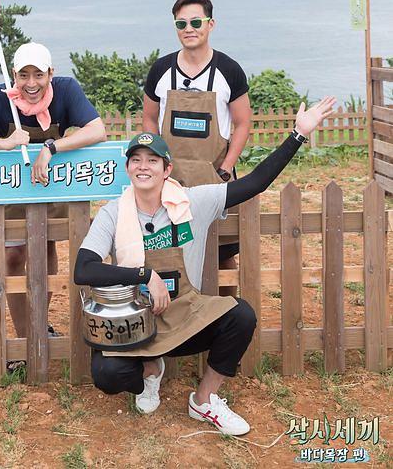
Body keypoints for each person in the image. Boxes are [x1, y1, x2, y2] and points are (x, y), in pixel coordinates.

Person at [74, 97, 335, 433]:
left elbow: (255, 182)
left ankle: (204, 399)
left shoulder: (193, 201)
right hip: (135, 323)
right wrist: (145, 275)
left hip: (185, 314)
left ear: (167, 169)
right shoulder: (114, 213)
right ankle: (150, 370)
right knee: (107, 375)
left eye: (152, 160)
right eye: (135, 160)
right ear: (128, 168)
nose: (143, 166)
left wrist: (298, 134)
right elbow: (84, 269)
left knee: (241, 316)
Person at [0, 41, 107, 351]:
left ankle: (39, 324)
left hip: (51, 184)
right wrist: (3, 144)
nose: (31, 84)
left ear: (51, 73)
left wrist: (51, 147)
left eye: (38, 75)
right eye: (24, 75)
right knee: (13, 255)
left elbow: (97, 130)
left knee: (45, 247)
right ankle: (24, 338)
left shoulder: (66, 90)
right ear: (13, 75)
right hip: (13, 186)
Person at [143, 0, 252, 295]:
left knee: (223, 253)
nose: (188, 29)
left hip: (214, 178)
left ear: (210, 24)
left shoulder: (229, 70)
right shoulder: (161, 70)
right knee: (169, 250)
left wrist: (225, 169)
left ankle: (226, 311)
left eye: (195, 22)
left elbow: (243, 123)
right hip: (170, 180)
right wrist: (155, 163)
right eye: (181, 24)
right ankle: (177, 312)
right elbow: (149, 118)